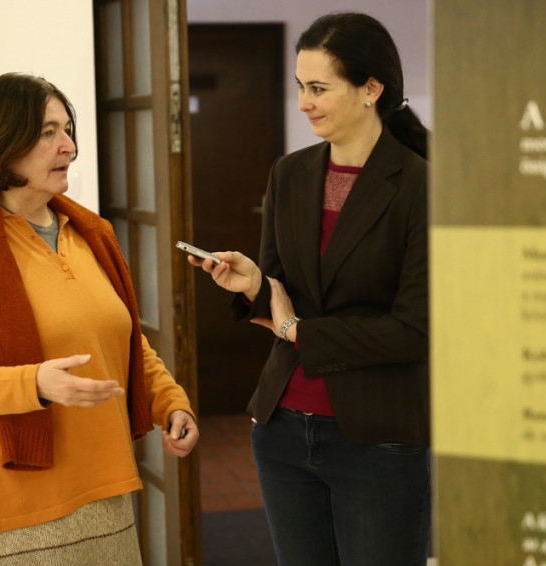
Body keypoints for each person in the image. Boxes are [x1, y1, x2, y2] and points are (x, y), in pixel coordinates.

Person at [0, 72, 198, 565]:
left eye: (67, 130)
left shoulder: (88, 233)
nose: (69, 146)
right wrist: (33, 383)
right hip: (14, 511)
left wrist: (170, 402)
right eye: (47, 133)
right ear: (0, 143)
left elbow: (120, 341)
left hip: (106, 492)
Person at [188, 12, 430, 566]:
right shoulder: (289, 173)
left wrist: (300, 331)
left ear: (371, 89)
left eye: (318, 88)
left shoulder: (422, 186)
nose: (303, 103)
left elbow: (415, 331)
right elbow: (281, 293)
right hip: (282, 431)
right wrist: (254, 284)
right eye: (300, 86)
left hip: (378, 437)